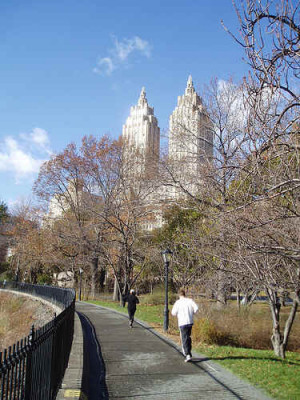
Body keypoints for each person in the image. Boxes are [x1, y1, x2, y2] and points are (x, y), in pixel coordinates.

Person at [171, 288, 198, 362]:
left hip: (182, 322)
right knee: (188, 337)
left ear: (179, 295)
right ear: (184, 294)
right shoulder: (190, 301)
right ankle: (189, 352)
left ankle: (187, 354)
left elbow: (173, 313)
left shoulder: (178, 302)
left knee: (184, 338)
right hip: (190, 321)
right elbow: (196, 308)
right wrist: (192, 313)